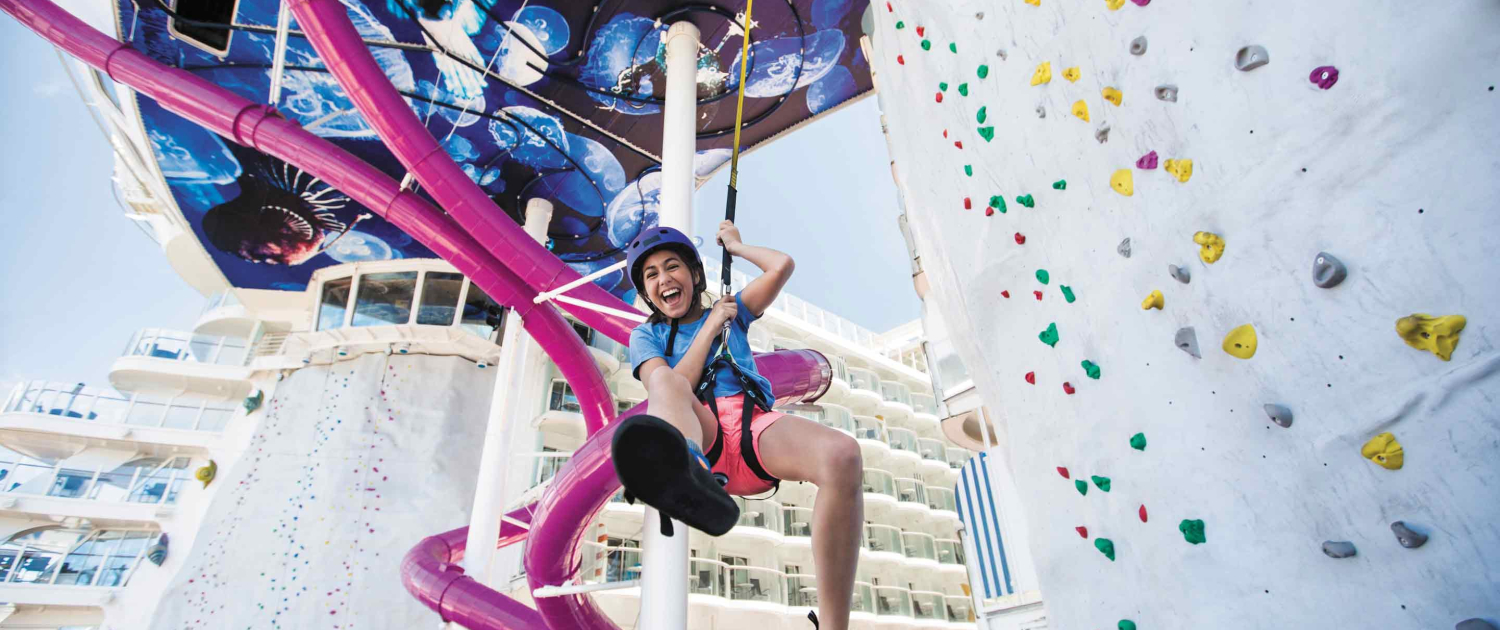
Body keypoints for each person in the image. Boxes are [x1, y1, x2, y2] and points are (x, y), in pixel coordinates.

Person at [611, 220, 864, 630]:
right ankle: (683, 471)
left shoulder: (736, 311)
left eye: (672, 267)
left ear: (694, 274)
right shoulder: (646, 336)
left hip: (754, 429)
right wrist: (711, 324)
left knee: (843, 454)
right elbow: (674, 384)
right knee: (666, 382)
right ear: (646, 292)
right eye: (651, 275)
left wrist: (737, 246)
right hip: (700, 435)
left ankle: (834, 626)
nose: (664, 280)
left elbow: (781, 266)